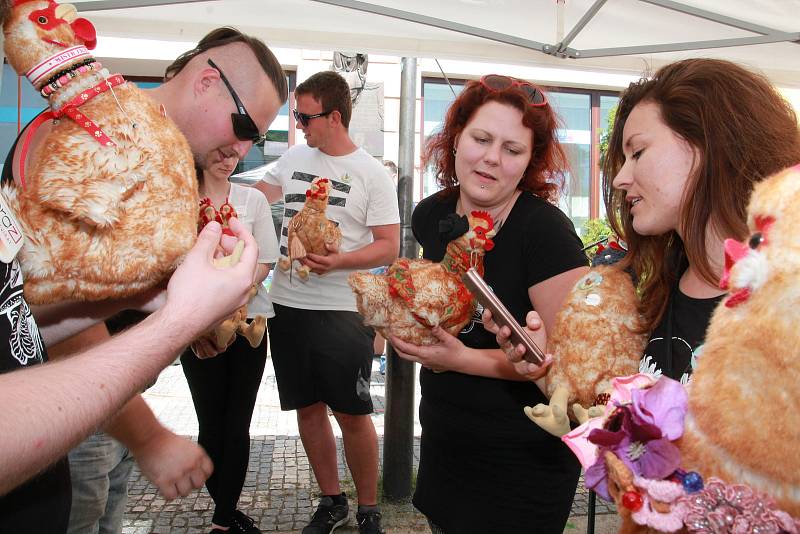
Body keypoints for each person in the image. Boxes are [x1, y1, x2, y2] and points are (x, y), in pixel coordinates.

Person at [0, 25, 288, 533]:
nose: (243, 147)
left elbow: (41, 309)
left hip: (103, 400)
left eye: (255, 138)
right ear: (206, 81)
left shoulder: (158, 154)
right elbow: (48, 310)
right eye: (243, 126)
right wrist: (149, 436)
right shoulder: (107, 138)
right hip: (61, 412)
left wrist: (167, 299)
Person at [493, 59, 800, 385]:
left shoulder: (785, 293)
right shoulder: (647, 285)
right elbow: (614, 418)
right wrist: (542, 371)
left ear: (708, 145)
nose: (622, 178)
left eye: (637, 152)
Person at [387, 74, 588, 533]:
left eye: (512, 149)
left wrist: (461, 359)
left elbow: (569, 376)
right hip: (446, 445)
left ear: (528, 163)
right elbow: (440, 304)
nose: (492, 158)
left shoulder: (545, 234)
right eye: (481, 138)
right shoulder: (432, 214)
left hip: (520, 465)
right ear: (456, 139)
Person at [254, 70, 399, 534]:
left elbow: (388, 246)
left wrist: (338, 262)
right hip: (288, 303)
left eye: (305, 115)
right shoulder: (295, 156)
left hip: (341, 310)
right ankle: (331, 500)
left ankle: (369, 508)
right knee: (308, 408)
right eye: (295, 115)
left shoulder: (371, 173)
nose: (299, 124)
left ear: (335, 117)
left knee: (352, 412)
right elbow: (259, 197)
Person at [180, 152, 280, 534]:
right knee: (210, 424)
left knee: (238, 423)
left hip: (249, 323)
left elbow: (267, 257)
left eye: (235, 151)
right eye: (220, 152)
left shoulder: (251, 199)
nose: (229, 159)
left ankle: (223, 519)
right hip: (199, 325)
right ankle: (226, 508)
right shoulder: (181, 200)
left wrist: (238, 293)